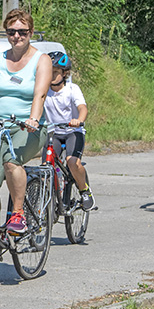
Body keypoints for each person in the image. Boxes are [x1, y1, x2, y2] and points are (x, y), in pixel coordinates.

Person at [0, 9, 52, 235]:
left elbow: (40, 95)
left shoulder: (41, 60)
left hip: (28, 128)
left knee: (12, 162)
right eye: (11, 32)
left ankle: (18, 214)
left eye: (22, 32)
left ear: (31, 32)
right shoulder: (0, 59)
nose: (17, 36)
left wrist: (34, 119)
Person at [43, 51, 95, 211]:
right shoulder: (43, 90)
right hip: (54, 133)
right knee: (46, 166)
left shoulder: (72, 89)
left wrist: (79, 119)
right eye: (49, 71)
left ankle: (84, 190)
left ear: (65, 73)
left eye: (55, 72)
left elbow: (82, 108)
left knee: (72, 162)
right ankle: (50, 197)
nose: (51, 75)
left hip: (73, 131)